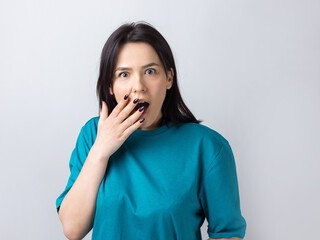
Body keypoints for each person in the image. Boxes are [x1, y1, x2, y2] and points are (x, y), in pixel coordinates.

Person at [55, 21, 247, 240]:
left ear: (169, 78)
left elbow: (227, 234)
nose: (138, 86)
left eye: (150, 71)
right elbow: (72, 229)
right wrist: (100, 151)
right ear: (110, 85)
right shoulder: (92, 134)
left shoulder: (208, 147)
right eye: (124, 74)